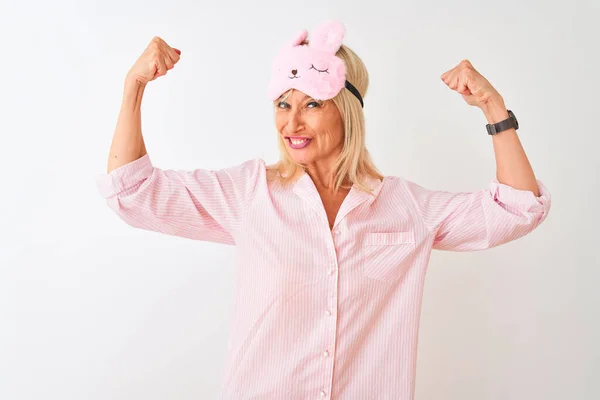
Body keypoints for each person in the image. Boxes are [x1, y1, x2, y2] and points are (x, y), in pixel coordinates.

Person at [97, 20, 551, 400]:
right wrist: (133, 87)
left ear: (346, 110)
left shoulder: (404, 206)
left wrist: (493, 107)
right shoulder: (249, 193)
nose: (291, 123)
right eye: (283, 104)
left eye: (312, 104)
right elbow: (132, 192)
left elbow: (516, 209)